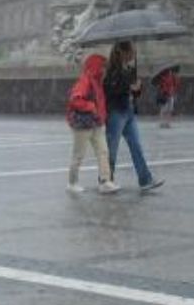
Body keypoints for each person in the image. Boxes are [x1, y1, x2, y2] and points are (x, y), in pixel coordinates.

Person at [104, 41, 164, 192]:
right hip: (116, 112)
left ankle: (145, 179)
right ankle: (105, 180)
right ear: (123, 52)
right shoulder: (111, 70)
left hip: (129, 111)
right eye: (132, 51)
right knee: (112, 149)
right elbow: (110, 90)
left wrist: (138, 88)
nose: (134, 54)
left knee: (136, 147)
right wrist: (128, 87)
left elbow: (134, 93)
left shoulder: (130, 69)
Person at [65, 54, 119, 194]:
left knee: (102, 152)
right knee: (79, 154)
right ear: (97, 67)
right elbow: (75, 100)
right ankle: (72, 183)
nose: (105, 70)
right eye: (103, 67)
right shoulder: (86, 81)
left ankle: (105, 181)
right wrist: (91, 107)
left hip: (96, 122)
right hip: (85, 123)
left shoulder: (96, 81)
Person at [153, 65, 180, 129]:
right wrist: (167, 91)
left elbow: (176, 85)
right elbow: (163, 86)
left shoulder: (174, 77)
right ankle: (162, 122)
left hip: (170, 95)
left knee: (169, 109)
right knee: (164, 109)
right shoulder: (164, 77)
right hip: (165, 95)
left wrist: (173, 90)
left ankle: (167, 123)